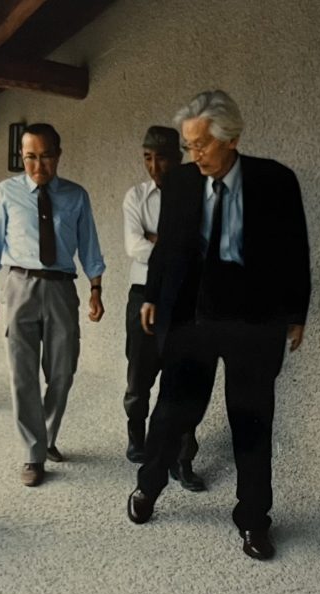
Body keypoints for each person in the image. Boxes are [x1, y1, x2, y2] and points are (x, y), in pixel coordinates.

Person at [126, 91, 311, 562]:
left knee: (251, 422)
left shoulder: (275, 181)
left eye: (202, 144)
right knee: (172, 412)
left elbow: (295, 249)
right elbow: (166, 246)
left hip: (253, 320)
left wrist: (296, 313)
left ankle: (254, 519)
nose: (195, 155)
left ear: (231, 139)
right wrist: (152, 295)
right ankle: (148, 486)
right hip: (193, 317)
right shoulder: (182, 182)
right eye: (189, 146)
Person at [0, 123, 106, 487]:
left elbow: (89, 245)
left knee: (62, 371)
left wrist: (96, 289)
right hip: (20, 286)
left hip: (61, 288)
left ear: (58, 155)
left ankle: (47, 436)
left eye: (46, 156)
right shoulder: (6, 193)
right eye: (30, 157)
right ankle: (33, 454)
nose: (38, 165)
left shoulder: (76, 196)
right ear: (22, 157)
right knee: (22, 373)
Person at [121, 126, 205, 492]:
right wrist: (175, 247)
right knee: (139, 376)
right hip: (143, 294)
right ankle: (137, 437)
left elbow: (201, 247)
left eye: (163, 157)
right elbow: (134, 246)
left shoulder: (198, 194)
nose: (155, 166)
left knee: (184, 380)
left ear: (179, 157)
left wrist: (161, 242)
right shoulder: (136, 197)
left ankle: (183, 459)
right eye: (147, 157)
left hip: (185, 299)